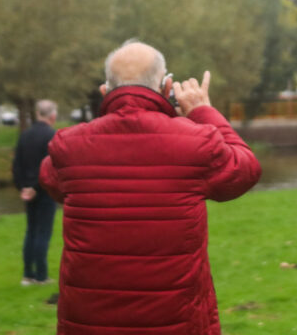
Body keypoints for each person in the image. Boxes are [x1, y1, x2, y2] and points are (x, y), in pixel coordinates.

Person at [40, 40, 261, 335]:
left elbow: (51, 180)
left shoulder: (68, 146)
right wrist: (202, 112)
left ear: (105, 91)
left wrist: (105, 123)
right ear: (167, 88)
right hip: (177, 323)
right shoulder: (196, 142)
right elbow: (244, 170)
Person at [12, 99, 58, 286]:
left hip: (28, 192)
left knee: (31, 231)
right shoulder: (52, 136)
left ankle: (27, 274)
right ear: (52, 116)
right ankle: (41, 275)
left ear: (37, 113)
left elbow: (17, 165)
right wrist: (36, 188)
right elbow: (52, 167)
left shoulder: (25, 135)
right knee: (43, 233)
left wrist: (23, 187)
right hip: (45, 191)